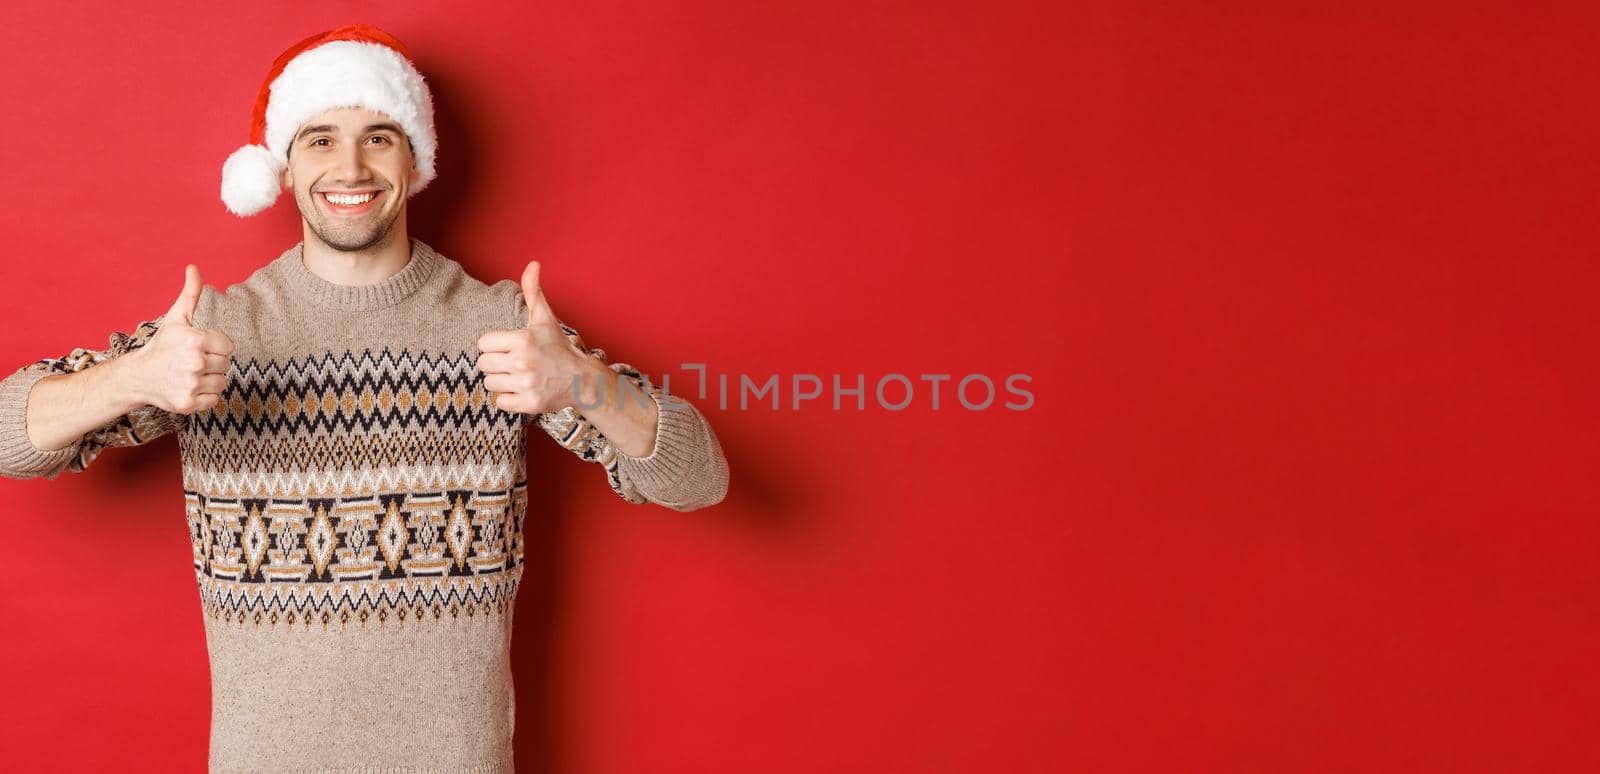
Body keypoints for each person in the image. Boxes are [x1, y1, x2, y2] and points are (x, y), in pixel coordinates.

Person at [0, 24, 728, 773]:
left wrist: (579, 380)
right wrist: (130, 379)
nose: (350, 166)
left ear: (415, 159)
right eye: (319, 139)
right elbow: (6, 435)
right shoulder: (213, 332)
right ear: (282, 164)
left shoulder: (503, 327)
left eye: (379, 136)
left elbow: (698, 478)